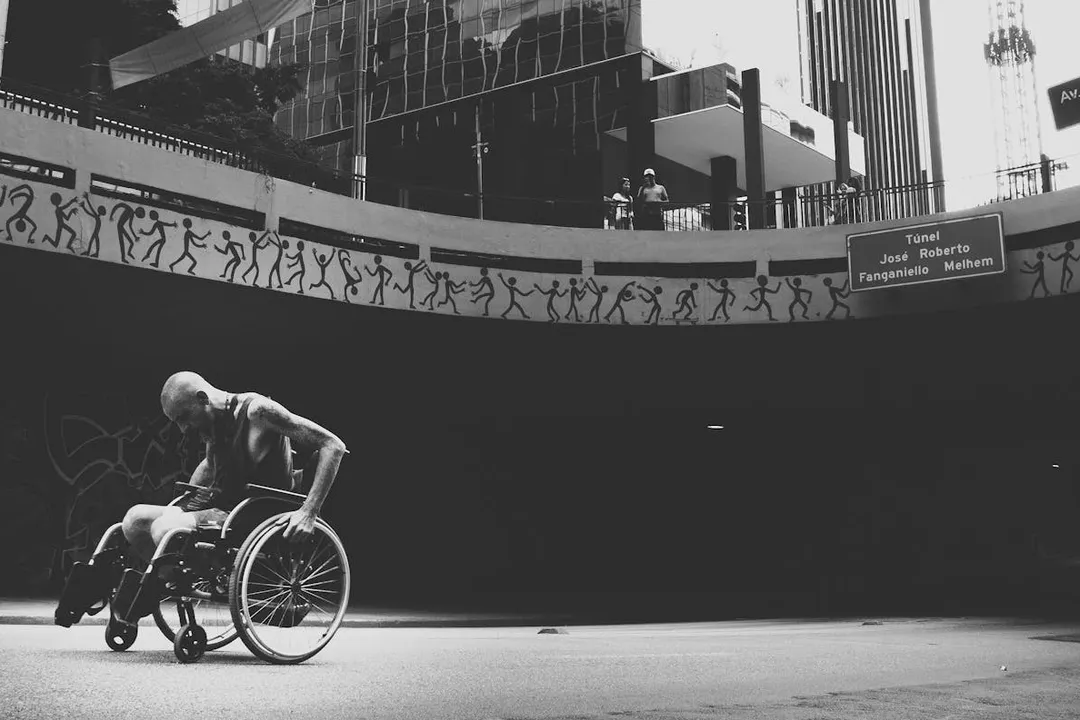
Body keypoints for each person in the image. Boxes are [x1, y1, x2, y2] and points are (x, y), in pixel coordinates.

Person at [56, 371, 349, 626]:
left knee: (165, 528)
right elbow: (210, 466)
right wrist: (184, 501)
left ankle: (165, 583)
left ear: (202, 397)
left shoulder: (258, 412)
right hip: (221, 505)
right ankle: (164, 582)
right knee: (134, 520)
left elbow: (332, 445)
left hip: (254, 512)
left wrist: (308, 511)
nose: (183, 429)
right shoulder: (214, 424)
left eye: (184, 418)